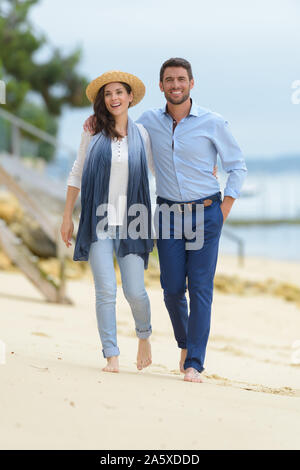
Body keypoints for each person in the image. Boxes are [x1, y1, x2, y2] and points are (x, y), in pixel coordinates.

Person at [84, 58, 247, 384]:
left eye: (181, 80)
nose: (175, 85)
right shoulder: (147, 123)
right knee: (172, 289)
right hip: (168, 214)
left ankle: (194, 363)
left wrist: (223, 209)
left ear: (191, 84)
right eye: (169, 80)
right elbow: (120, 130)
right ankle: (185, 341)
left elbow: (237, 166)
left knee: (200, 288)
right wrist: (95, 122)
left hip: (205, 214)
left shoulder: (213, 123)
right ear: (161, 86)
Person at [61, 71, 154, 374]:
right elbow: (77, 172)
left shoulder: (142, 135)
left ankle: (144, 336)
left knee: (136, 292)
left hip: (134, 222)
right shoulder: (92, 132)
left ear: (129, 98)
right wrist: (67, 217)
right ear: (103, 100)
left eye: (119, 92)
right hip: (98, 221)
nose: (114, 98)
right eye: (108, 93)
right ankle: (111, 355)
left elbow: (160, 171)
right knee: (105, 290)